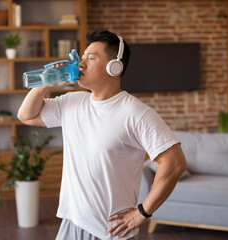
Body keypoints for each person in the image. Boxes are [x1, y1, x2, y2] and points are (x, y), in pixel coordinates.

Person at [17, 29, 187, 240]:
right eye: (83, 56)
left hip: (110, 233)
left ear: (113, 67)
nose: (81, 63)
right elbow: (26, 116)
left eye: (91, 57)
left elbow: (175, 163)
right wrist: (46, 82)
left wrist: (142, 213)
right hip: (71, 223)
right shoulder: (72, 102)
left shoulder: (136, 113)